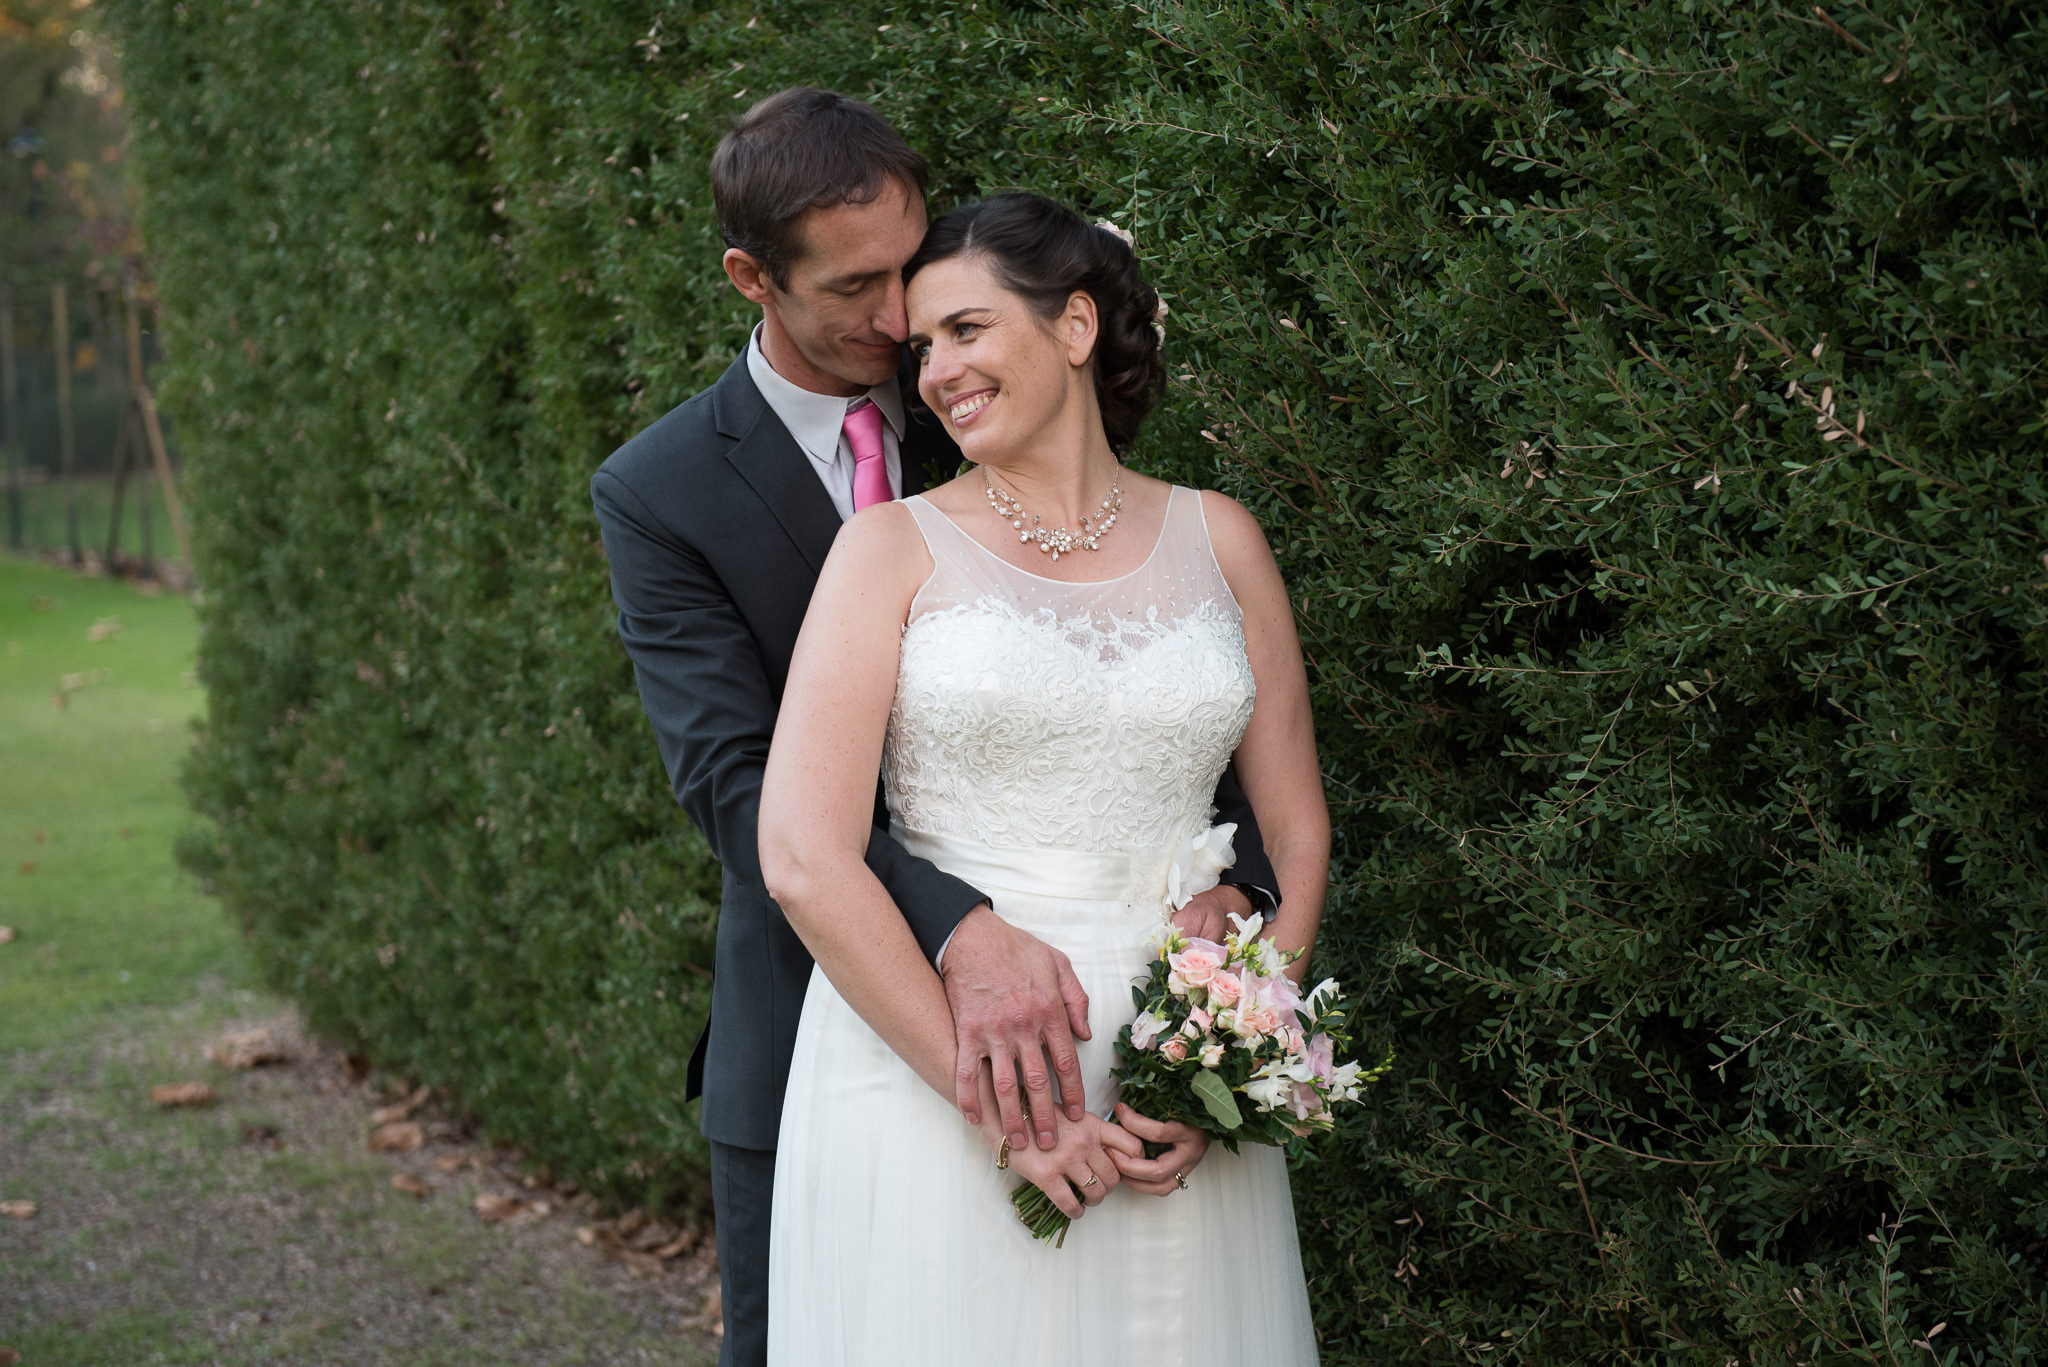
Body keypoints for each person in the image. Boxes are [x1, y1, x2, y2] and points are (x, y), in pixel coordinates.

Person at [589, 90, 1278, 1367]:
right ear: (752, 277)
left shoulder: (988, 390)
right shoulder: (661, 489)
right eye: (857, 287)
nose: (902, 320)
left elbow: (1162, 680)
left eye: (911, 270)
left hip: (1123, 1015)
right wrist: (959, 922)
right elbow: (745, 796)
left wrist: (1238, 904)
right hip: (819, 1028)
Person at [758, 192, 1330, 1365]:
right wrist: (999, 1117)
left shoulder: (1222, 537)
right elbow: (804, 857)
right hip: (944, 1065)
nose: (935, 372)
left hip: (1164, 1082)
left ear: (1074, 326)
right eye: (921, 349)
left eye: (965, 330)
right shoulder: (888, 548)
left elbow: (1296, 828)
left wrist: (1230, 1050)